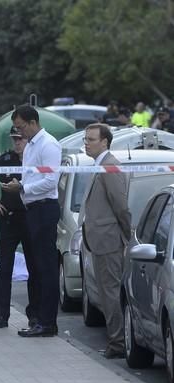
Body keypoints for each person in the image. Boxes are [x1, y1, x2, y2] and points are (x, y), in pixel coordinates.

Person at [4, 104, 61, 337]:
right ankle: (37, 317)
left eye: (21, 127)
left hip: (44, 209)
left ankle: (48, 322)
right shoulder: (29, 147)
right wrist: (19, 186)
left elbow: (50, 181)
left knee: (46, 268)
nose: (19, 132)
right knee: (35, 268)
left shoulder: (49, 145)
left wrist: (23, 187)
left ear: (32, 122)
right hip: (32, 209)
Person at [0, 126, 38, 328]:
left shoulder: (35, 159)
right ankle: (1, 315)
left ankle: (35, 315)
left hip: (30, 218)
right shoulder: (4, 160)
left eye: (21, 139)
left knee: (34, 268)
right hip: (9, 219)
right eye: (15, 139)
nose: (17, 143)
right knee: (4, 269)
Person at [81, 123, 130, 358]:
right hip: (98, 240)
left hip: (109, 241)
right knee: (105, 293)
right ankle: (115, 340)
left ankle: (117, 343)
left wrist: (127, 236)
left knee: (110, 294)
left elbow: (121, 207)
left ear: (104, 142)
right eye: (85, 139)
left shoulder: (110, 166)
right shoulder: (98, 165)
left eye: (91, 139)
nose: (86, 143)